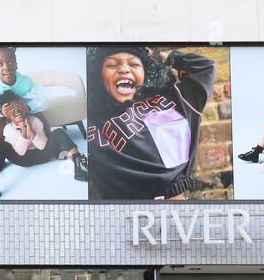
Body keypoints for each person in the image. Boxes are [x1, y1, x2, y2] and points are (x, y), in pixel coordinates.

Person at [85, 46, 215, 200]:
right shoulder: (91, 119)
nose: (123, 69)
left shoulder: (174, 100)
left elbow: (205, 67)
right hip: (124, 209)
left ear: (146, 71)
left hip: (175, 203)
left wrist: (166, 57)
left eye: (134, 64)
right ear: (99, 75)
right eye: (112, 65)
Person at [0, 90, 89, 201]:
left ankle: (78, 163)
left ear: (23, 107)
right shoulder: (8, 129)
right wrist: (24, 134)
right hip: (23, 158)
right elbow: (20, 152)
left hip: (43, 153)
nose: (15, 111)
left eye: (17, 106)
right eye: (10, 109)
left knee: (58, 133)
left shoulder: (34, 120)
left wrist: (32, 133)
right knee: (0, 145)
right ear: (7, 116)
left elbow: (42, 145)